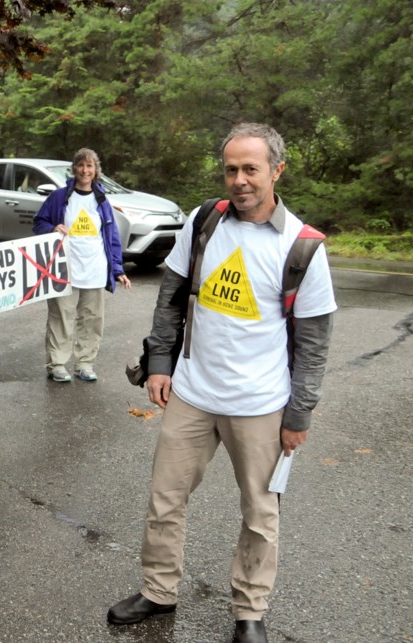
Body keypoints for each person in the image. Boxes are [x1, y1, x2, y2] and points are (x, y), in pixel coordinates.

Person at [107, 123, 337, 643]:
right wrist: (160, 362)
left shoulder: (302, 248)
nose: (240, 180)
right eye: (231, 169)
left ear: (277, 170)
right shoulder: (203, 220)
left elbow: (315, 345)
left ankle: (249, 612)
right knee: (165, 498)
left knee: (260, 513)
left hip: (261, 405)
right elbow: (171, 295)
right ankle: (158, 592)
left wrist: (299, 415)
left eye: (251, 169)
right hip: (192, 392)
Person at [32, 148, 132, 383]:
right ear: (74, 168)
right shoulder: (59, 197)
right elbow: (39, 222)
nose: (85, 170)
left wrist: (117, 269)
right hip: (64, 270)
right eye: (81, 165)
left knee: (92, 319)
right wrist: (53, 228)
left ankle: (85, 363)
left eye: (90, 166)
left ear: (96, 170)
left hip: (95, 271)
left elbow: (111, 237)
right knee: (61, 318)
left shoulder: (102, 200)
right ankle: (56, 364)